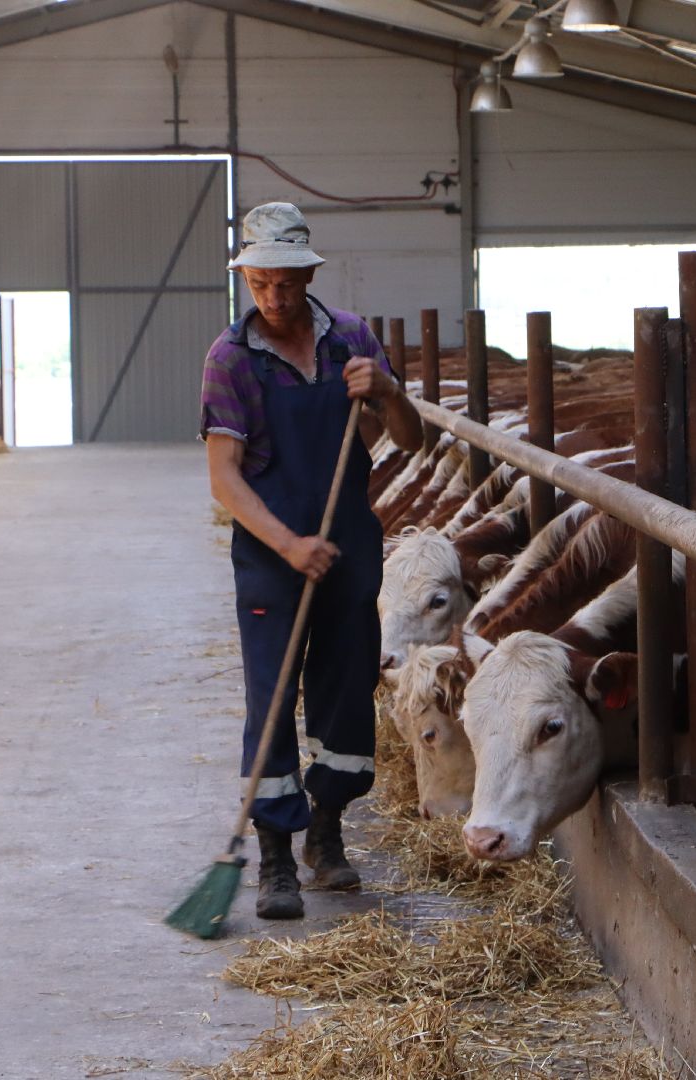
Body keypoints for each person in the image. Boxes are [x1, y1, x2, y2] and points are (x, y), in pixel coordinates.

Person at [199, 202, 423, 919]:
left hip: (349, 541)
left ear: (309, 272)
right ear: (247, 279)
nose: (273, 296)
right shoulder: (229, 359)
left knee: (346, 691)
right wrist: (289, 544)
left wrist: (387, 391)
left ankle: (326, 836)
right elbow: (224, 477)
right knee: (272, 697)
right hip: (272, 551)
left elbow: (410, 440)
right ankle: (273, 857)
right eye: (260, 283)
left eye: (286, 281)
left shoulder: (352, 339)